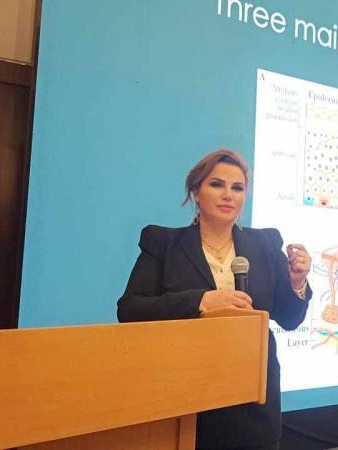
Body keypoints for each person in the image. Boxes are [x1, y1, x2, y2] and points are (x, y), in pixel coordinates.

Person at [117, 149, 312, 449]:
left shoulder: (265, 243)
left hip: (253, 403)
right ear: (196, 192)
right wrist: (201, 301)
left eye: (238, 188)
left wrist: (297, 282)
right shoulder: (164, 243)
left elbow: (288, 319)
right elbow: (131, 309)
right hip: (186, 398)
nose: (228, 195)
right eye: (217, 184)